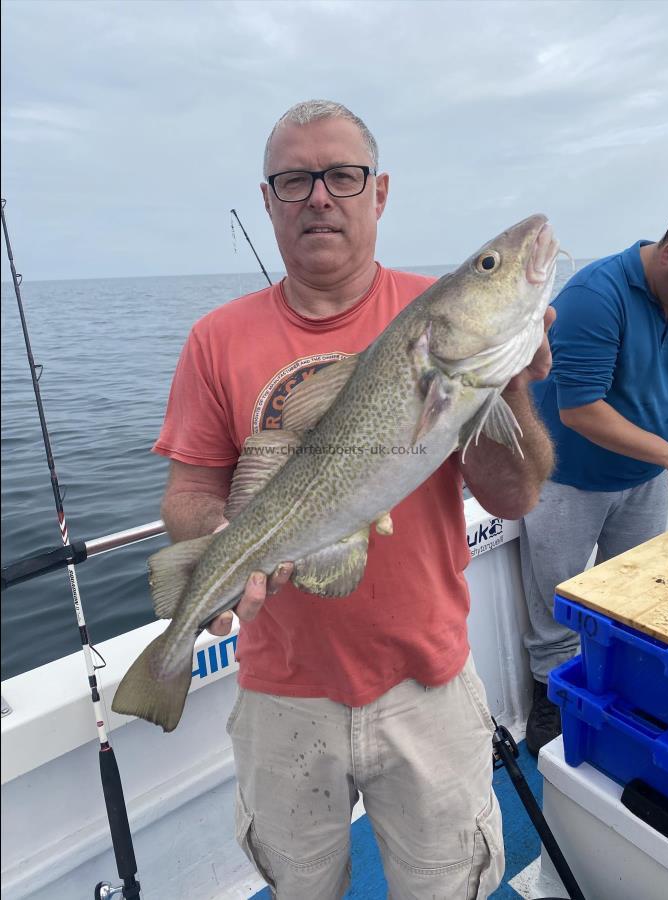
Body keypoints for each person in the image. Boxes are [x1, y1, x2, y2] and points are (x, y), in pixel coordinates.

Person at [153, 99, 555, 899]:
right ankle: (160, 660)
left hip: (428, 678)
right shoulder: (214, 338)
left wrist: (505, 388)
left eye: (342, 175)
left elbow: (512, 497)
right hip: (280, 692)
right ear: (267, 201)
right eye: (294, 179)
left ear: (379, 192)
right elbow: (191, 490)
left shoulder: (429, 320)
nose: (318, 196)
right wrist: (226, 538)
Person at [521, 220, 668, 757]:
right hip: (569, 477)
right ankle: (548, 693)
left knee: (634, 601)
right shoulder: (595, 296)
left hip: (646, 477)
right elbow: (580, 409)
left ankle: (626, 693)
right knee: (556, 599)